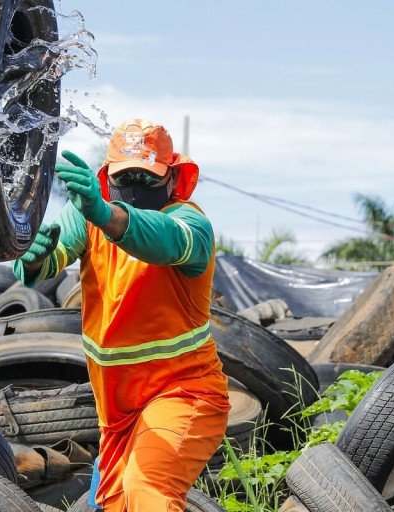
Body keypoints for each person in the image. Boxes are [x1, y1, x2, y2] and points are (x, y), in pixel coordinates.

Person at [13, 119, 230, 511]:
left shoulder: (190, 223)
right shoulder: (86, 218)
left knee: (148, 491)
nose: (133, 186)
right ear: (107, 176)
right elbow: (52, 255)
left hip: (183, 392)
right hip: (116, 412)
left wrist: (106, 213)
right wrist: (32, 262)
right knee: (112, 504)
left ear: (171, 178)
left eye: (146, 177)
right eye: (125, 175)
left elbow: (163, 239)